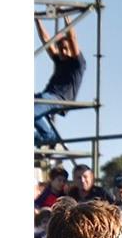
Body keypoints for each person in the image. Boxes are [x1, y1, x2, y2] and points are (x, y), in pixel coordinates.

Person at [35, 13, 86, 147]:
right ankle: (43, 137)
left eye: (65, 49)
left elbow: (72, 38)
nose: (62, 52)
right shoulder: (59, 60)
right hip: (47, 96)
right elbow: (46, 39)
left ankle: (50, 137)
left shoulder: (77, 63)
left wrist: (66, 16)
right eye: (60, 49)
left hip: (60, 99)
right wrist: (37, 19)